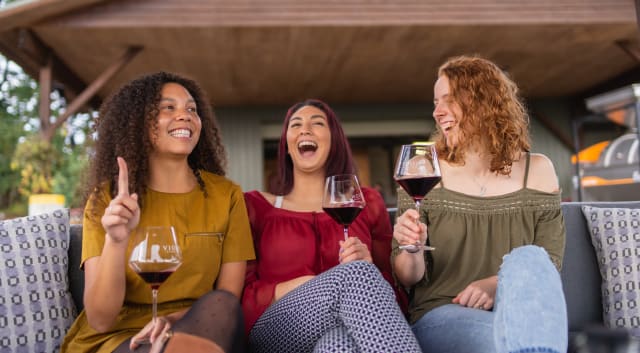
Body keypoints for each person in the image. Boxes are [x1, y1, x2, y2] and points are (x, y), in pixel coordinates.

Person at [61, 72, 255, 353]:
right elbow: (100, 319)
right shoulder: (108, 199)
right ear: (139, 123)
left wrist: (171, 319)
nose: (185, 115)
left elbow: (226, 297)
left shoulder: (227, 196)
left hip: (197, 326)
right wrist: (116, 241)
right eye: (168, 108)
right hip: (121, 339)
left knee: (221, 306)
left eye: (192, 109)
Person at [392, 55, 568, 353]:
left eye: (448, 99)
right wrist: (412, 247)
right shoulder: (423, 170)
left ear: (483, 100)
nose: (437, 112)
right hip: (442, 314)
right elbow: (409, 277)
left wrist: (496, 284)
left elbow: (548, 264)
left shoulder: (538, 170)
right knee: (509, 339)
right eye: (435, 102)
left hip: (521, 310)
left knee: (530, 258)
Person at [242, 99, 421, 352]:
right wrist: (302, 284)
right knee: (355, 274)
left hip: (345, 323)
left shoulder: (366, 201)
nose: (305, 129)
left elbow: (393, 287)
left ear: (333, 140)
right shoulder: (255, 206)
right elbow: (242, 293)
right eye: (296, 125)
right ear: (286, 146)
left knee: (338, 344)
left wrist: (369, 264)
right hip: (277, 328)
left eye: (317, 123)